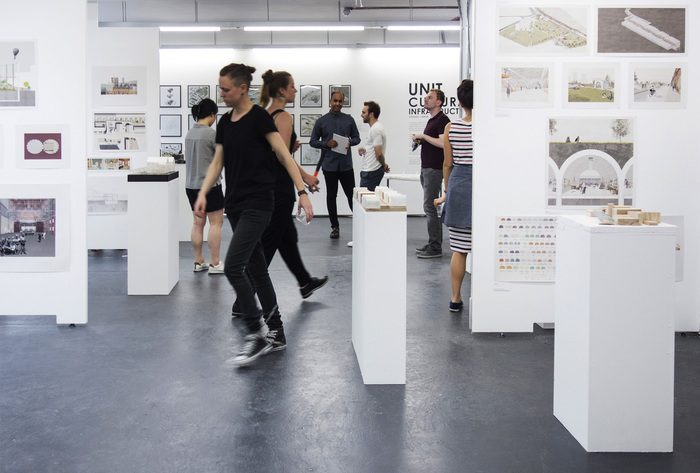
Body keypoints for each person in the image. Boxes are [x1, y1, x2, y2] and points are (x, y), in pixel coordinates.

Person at [194, 63, 313, 367]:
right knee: (258, 269)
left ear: (242, 88)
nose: (222, 94)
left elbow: (283, 154)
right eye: (220, 89)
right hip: (235, 205)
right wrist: (204, 192)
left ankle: (255, 332)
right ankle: (277, 332)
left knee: (234, 266)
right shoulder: (225, 122)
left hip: (259, 203)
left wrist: (302, 192)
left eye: (226, 89)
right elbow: (218, 162)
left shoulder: (259, 117)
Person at [231, 69, 328, 314]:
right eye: (292, 86)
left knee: (287, 239)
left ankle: (305, 282)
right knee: (267, 245)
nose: (295, 90)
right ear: (282, 90)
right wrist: (305, 179)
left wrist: (288, 149)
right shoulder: (283, 117)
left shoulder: (266, 114)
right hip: (278, 190)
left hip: (270, 186)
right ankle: (242, 303)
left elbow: (270, 151)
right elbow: (282, 156)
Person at [434, 79, 474, 313]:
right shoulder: (488, 127)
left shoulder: (452, 127)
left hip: (459, 185)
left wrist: (447, 193)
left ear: (459, 102)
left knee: (459, 249)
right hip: (483, 185)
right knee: (487, 243)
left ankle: (456, 298)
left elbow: (447, 164)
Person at [309, 90, 360, 239]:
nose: (337, 104)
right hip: (329, 166)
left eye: (340, 101)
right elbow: (313, 141)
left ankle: (360, 224)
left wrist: (350, 142)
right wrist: (326, 143)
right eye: (335, 101)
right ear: (330, 101)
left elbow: (357, 138)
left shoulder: (349, 120)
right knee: (331, 196)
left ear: (343, 102)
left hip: (346, 166)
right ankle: (335, 227)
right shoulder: (322, 121)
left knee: (352, 196)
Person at [184, 98, 224, 274]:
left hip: (191, 186)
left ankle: (199, 261)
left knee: (197, 224)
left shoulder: (189, 134)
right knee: (216, 223)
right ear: (212, 114)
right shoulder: (211, 134)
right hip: (209, 186)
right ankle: (215, 263)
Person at [412, 88, 450, 259]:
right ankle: (433, 243)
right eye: (426, 97)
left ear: (439, 102)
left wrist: (424, 137)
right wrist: (422, 140)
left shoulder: (442, 120)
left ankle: (435, 247)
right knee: (430, 206)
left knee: (430, 206)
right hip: (428, 168)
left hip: (434, 169)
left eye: (430, 97)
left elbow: (443, 143)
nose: (425, 99)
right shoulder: (433, 120)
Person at [358, 100, 389, 191]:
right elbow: (375, 149)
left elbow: (378, 153)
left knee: (366, 198)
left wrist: (383, 164)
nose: (361, 115)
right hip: (369, 171)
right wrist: (365, 150)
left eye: (364, 112)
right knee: (365, 197)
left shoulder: (376, 129)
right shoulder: (374, 129)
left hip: (371, 172)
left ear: (371, 114)